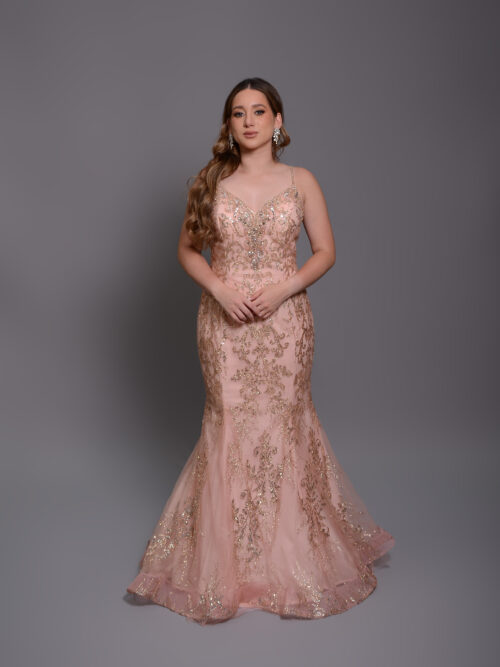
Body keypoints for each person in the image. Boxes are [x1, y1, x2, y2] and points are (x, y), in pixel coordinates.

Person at [126, 77, 395, 624]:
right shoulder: (211, 181)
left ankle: (292, 555)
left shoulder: (301, 181)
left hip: (285, 323)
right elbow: (187, 250)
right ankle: (230, 562)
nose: (248, 121)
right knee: (228, 424)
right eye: (238, 113)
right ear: (228, 125)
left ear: (278, 121)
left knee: (284, 423)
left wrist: (283, 288)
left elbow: (325, 251)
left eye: (259, 111)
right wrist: (220, 289)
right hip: (223, 325)